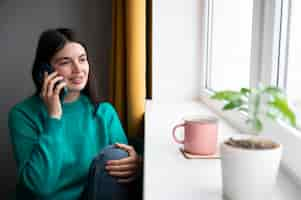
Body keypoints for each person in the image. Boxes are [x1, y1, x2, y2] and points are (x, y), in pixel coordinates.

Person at [8, 28, 142, 200]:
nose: (78, 69)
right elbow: (39, 187)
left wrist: (136, 163)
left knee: (118, 155)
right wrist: (54, 117)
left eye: (82, 59)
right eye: (65, 62)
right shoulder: (22, 115)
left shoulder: (104, 112)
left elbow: (120, 171)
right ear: (45, 71)